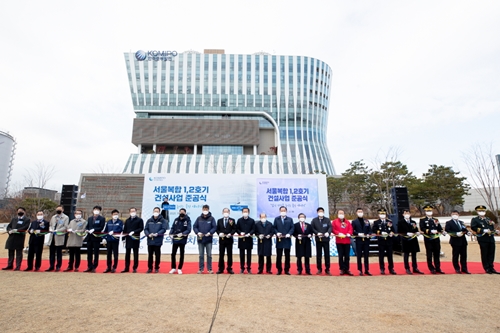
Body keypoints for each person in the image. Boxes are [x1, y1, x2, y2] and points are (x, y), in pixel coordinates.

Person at [470, 205, 500, 274]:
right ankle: (486, 267)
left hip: (490, 238)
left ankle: (491, 267)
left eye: (483, 211)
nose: (482, 212)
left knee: (491, 253)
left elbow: (491, 227)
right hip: (483, 238)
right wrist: (483, 230)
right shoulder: (475, 219)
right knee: (485, 253)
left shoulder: (488, 219)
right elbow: (473, 227)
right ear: (477, 212)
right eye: (480, 211)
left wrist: (495, 231)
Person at [419, 205, 445, 274]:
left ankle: (438, 268)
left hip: (436, 238)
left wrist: (442, 231)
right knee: (429, 254)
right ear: (425, 212)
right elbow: (422, 228)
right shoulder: (423, 219)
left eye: (430, 211)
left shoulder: (435, 219)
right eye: (427, 211)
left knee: (437, 253)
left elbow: (439, 227)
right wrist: (430, 231)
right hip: (428, 238)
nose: (429, 212)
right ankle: (431, 268)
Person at [398, 209, 424, 274]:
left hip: (413, 239)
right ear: (403, 215)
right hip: (405, 239)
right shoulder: (400, 222)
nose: (407, 214)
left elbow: (415, 229)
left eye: (408, 213)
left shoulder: (413, 222)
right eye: (405, 213)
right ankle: (407, 268)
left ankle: (415, 268)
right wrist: (406, 233)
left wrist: (417, 232)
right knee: (406, 254)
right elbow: (399, 231)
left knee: (414, 254)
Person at [193, 204, 217, 274]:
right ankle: (201, 269)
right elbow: (195, 227)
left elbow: (214, 227)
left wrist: (210, 232)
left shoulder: (212, 218)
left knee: (209, 255)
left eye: (206, 209)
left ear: (208, 210)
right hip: (200, 239)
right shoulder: (198, 218)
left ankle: (209, 269)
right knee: (201, 255)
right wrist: (198, 232)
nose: (205, 211)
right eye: (204, 209)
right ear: (202, 210)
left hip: (208, 239)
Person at [372, 209, 397, 275]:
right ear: (379, 214)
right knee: (381, 255)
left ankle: (391, 268)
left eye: (383, 213)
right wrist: (380, 232)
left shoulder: (389, 221)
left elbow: (393, 230)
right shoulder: (376, 222)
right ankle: (382, 268)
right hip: (381, 240)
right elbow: (374, 230)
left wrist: (391, 233)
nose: (382, 215)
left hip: (389, 240)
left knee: (390, 255)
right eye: (381, 214)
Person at [144, 207, 168, 273]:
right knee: (150, 255)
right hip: (150, 240)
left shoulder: (163, 220)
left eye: (157, 211)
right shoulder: (149, 220)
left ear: (159, 212)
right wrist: (148, 234)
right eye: (155, 211)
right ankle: (149, 268)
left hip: (158, 240)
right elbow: (146, 229)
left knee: (157, 255)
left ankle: (157, 267)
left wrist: (157, 233)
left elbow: (164, 229)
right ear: (153, 212)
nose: (156, 212)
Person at [46, 205, 69, 272]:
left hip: (59, 236)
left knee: (59, 252)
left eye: (60, 209)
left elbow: (65, 227)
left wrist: (58, 230)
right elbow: (50, 225)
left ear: (63, 210)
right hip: (52, 236)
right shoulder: (53, 217)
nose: (58, 210)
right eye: (57, 209)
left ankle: (58, 266)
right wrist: (51, 229)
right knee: (51, 252)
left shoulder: (65, 217)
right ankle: (51, 266)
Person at [272, 206, 294, 275]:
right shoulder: (276, 219)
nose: (283, 211)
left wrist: (289, 234)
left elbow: (292, 228)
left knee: (287, 256)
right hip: (279, 240)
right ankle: (279, 269)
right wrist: (277, 232)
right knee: (279, 255)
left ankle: (287, 269)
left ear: (286, 211)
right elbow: (274, 228)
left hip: (287, 239)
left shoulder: (290, 219)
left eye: (284, 210)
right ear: (279, 211)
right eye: (281, 210)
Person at [169, 208, 192, 274]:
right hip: (175, 239)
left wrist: (182, 233)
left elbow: (189, 229)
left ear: (185, 213)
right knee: (173, 254)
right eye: (180, 212)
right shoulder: (176, 220)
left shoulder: (188, 220)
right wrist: (171, 233)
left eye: (183, 212)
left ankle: (179, 268)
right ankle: (173, 268)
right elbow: (173, 227)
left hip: (182, 239)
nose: (181, 213)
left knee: (181, 254)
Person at [84, 205, 106, 273]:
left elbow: (101, 227)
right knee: (89, 253)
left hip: (96, 237)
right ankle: (89, 266)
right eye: (95, 209)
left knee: (96, 253)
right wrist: (87, 230)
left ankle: (94, 266)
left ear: (100, 211)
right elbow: (87, 226)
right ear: (93, 210)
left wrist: (94, 229)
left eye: (98, 210)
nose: (96, 211)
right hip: (89, 237)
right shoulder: (90, 218)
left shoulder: (102, 218)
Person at [122, 207, 144, 273]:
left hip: (135, 238)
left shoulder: (139, 220)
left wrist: (134, 231)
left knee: (135, 254)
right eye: (131, 211)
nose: (132, 212)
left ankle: (135, 268)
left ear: (136, 211)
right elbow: (125, 230)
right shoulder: (127, 220)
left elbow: (141, 228)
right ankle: (126, 267)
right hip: (128, 239)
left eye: (134, 211)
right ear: (129, 212)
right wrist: (123, 238)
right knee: (127, 254)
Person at [311, 207, 332, 275]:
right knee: (319, 255)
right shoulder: (314, 220)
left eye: (322, 211)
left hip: (326, 239)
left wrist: (328, 233)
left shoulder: (327, 220)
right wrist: (317, 233)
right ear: (317, 212)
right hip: (318, 239)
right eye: (319, 211)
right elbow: (312, 228)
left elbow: (330, 227)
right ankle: (319, 269)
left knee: (327, 254)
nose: (321, 212)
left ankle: (327, 269)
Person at [332, 210, 353, 276]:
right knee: (341, 256)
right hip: (339, 241)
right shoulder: (334, 222)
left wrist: (349, 233)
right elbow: (333, 229)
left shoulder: (347, 222)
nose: (341, 214)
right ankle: (342, 269)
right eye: (340, 213)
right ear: (337, 214)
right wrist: (338, 233)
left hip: (347, 241)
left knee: (347, 256)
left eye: (342, 213)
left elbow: (350, 229)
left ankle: (347, 269)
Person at [351, 208, 372, 276]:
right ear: (356, 213)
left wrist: (369, 234)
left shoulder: (366, 221)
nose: (360, 213)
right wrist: (358, 234)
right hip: (359, 240)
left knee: (366, 255)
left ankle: (366, 270)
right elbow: (352, 231)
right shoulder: (354, 222)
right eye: (359, 212)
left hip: (366, 240)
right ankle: (360, 270)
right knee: (359, 256)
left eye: (361, 211)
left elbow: (370, 229)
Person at [216, 207, 236, 274]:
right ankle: (220, 268)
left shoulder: (232, 220)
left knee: (229, 254)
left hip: (229, 240)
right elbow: (217, 229)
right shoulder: (219, 220)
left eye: (227, 212)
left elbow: (234, 229)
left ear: (229, 213)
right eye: (224, 211)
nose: (226, 213)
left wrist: (231, 233)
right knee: (221, 254)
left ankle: (229, 268)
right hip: (222, 240)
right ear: (222, 213)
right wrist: (219, 233)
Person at [236, 207, 255, 274]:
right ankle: (242, 268)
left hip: (249, 239)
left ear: (248, 212)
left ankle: (249, 268)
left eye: (246, 211)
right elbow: (237, 228)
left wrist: (250, 233)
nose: (245, 213)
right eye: (244, 211)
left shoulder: (252, 220)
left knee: (249, 255)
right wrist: (240, 232)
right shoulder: (239, 220)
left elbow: (253, 229)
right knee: (242, 255)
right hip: (241, 239)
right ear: (242, 212)